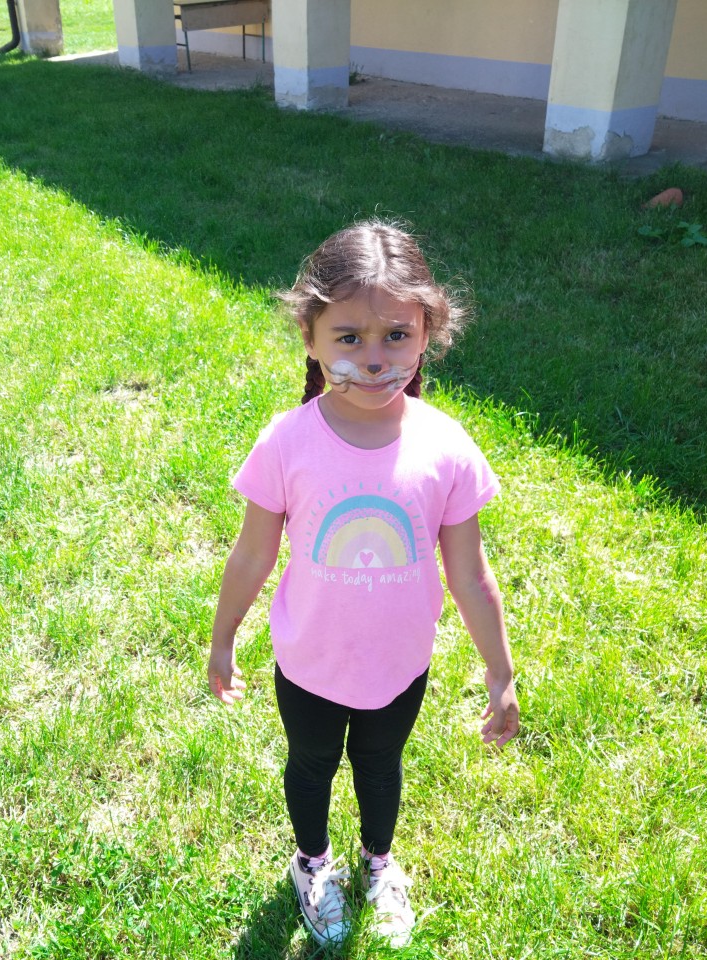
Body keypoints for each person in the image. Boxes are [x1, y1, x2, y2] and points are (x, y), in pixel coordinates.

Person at [207, 220, 519, 948]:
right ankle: (312, 862)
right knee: (312, 764)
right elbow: (251, 556)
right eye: (349, 337)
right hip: (308, 663)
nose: (374, 359)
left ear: (428, 334)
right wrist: (223, 640)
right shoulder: (287, 442)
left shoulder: (446, 447)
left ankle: (379, 863)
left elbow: (470, 575)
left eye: (396, 336)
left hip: (399, 664)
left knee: (381, 765)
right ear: (310, 337)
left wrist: (500, 671)